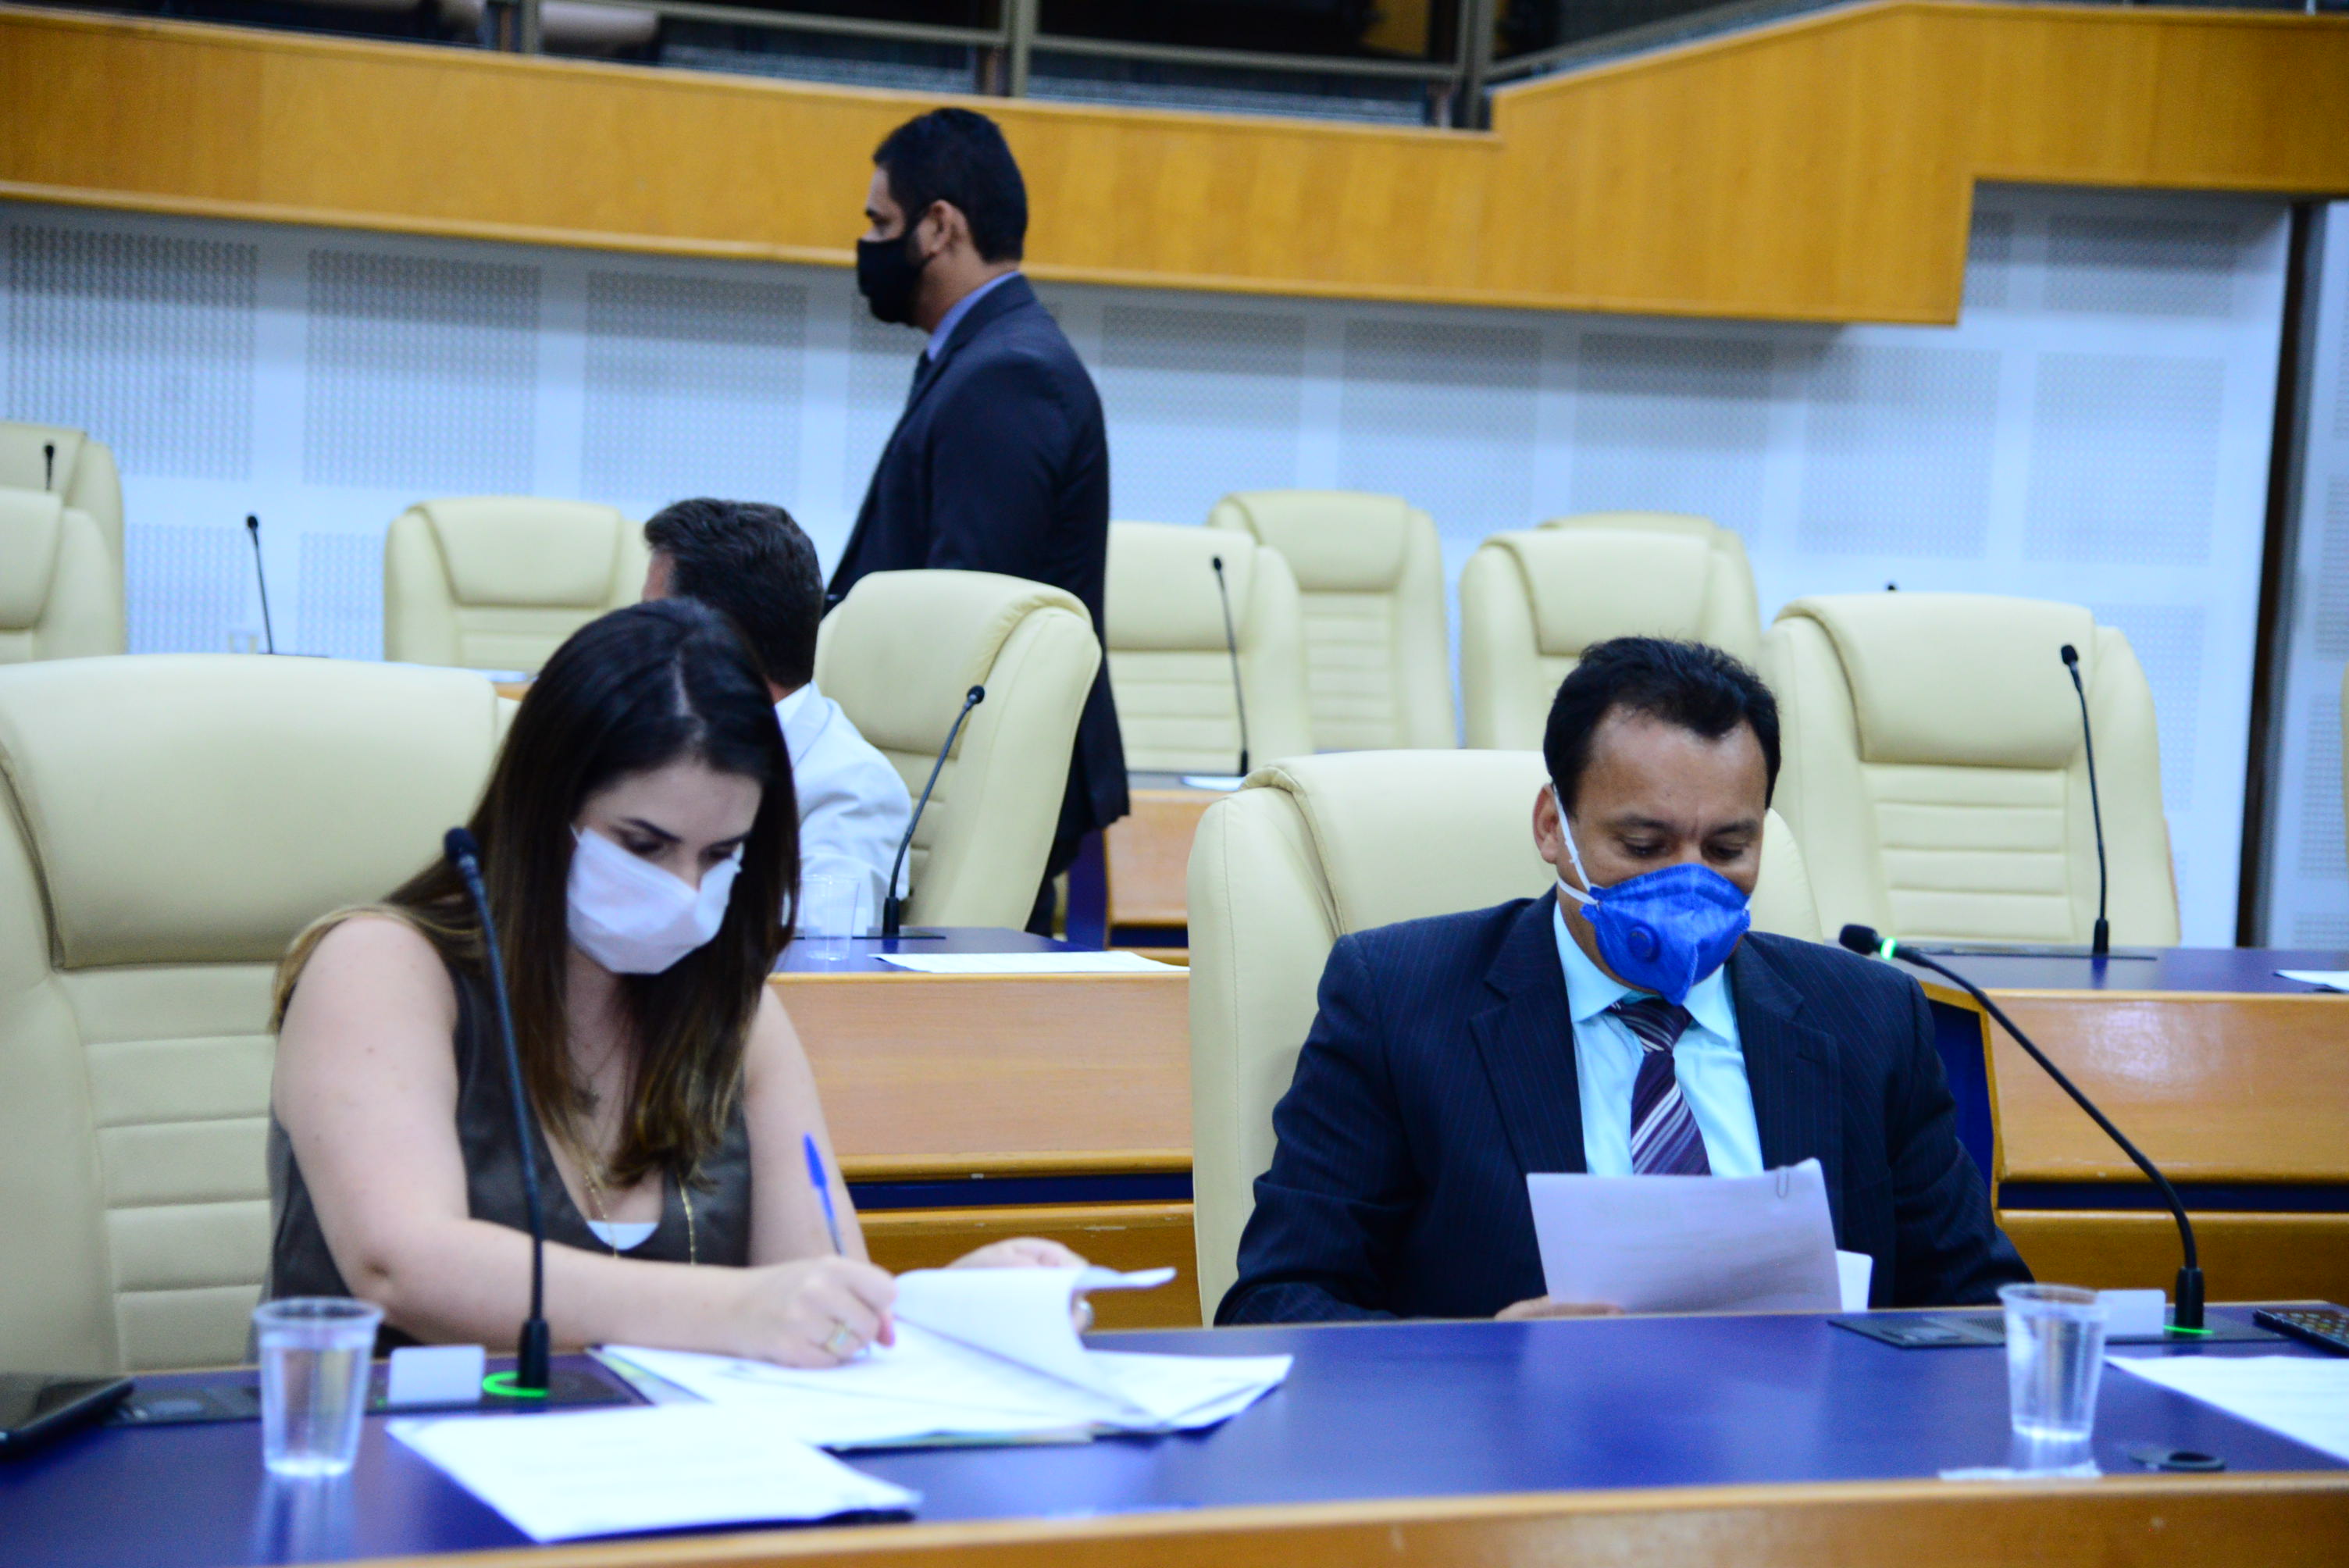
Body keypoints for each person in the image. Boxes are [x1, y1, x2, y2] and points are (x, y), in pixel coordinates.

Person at [267, 600, 1080, 1364]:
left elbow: (812, 1286)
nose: (686, 891)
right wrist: (732, 1311)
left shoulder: (737, 1010)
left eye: (720, 855)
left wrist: (941, 1305)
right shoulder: (380, 964)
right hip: (388, 1448)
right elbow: (400, 1264)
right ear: (542, 812)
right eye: (644, 845)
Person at [1218, 637, 2030, 1324]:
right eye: (1643, 845)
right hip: (1514, 1448)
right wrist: (1482, 1362)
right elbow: (1276, 1302)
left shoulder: (1869, 1017)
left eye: (1727, 849)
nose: (1689, 879)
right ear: (1552, 827)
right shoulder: (1398, 1000)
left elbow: (1981, 1309)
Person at [826, 106, 1126, 935]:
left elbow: (967, 610)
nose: (867, 244)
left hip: (978, 797)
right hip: (957, 786)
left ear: (938, 227)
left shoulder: (1008, 375)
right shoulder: (982, 356)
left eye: (879, 223)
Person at [643, 497, 911, 932]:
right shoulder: (665, 739)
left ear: (720, 643)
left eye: (651, 624)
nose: (634, 643)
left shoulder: (852, 788)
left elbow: (819, 946)